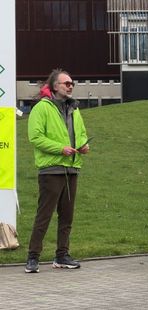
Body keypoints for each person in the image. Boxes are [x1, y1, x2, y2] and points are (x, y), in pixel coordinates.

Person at [25, 69, 90, 273]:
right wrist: (60, 149)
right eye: (66, 83)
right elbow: (35, 137)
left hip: (72, 168)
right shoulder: (41, 108)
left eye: (72, 83)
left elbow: (80, 133)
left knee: (67, 216)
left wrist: (83, 146)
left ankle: (62, 256)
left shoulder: (74, 108)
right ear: (55, 86)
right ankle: (33, 257)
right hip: (51, 170)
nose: (70, 86)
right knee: (44, 216)